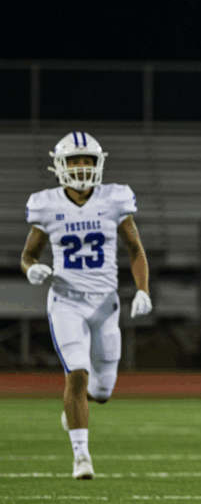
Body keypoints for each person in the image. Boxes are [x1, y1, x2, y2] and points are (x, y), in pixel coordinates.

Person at [21, 132, 152, 480]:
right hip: (66, 302)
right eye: (74, 161)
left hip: (105, 304)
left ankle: (74, 407)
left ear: (99, 163)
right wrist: (31, 269)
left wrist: (143, 290)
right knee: (77, 372)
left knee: (103, 391)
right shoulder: (47, 204)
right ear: (60, 165)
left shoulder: (114, 199)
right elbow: (29, 253)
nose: (81, 167)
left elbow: (135, 249)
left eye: (87, 160)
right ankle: (81, 456)